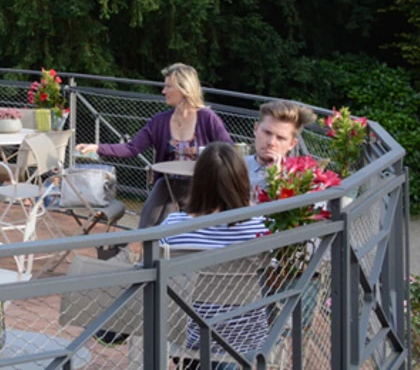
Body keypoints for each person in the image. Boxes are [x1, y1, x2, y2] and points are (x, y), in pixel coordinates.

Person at [75, 63, 231, 234]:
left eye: (168, 86)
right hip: (169, 186)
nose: (163, 91)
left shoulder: (207, 119)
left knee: (164, 217)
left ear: (184, 88)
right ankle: (139, 249)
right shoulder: (160, 121)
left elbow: (228, 151)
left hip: (200, 188)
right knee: (162, 194)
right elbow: (131, 148)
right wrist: (97, 147)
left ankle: (137, 249)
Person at [159, 142, 271, 368]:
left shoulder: (173, 225)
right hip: (247, 335)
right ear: (242, 180)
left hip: (190, 335)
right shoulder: (263, 226)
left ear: (198, 181)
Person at [245, 101, 318, 192]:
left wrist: (277, 183)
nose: (271, 142)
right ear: (256, 129)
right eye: (267, 133)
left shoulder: (300, 181)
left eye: (280, 138)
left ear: (292, 144)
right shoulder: (235, 166)